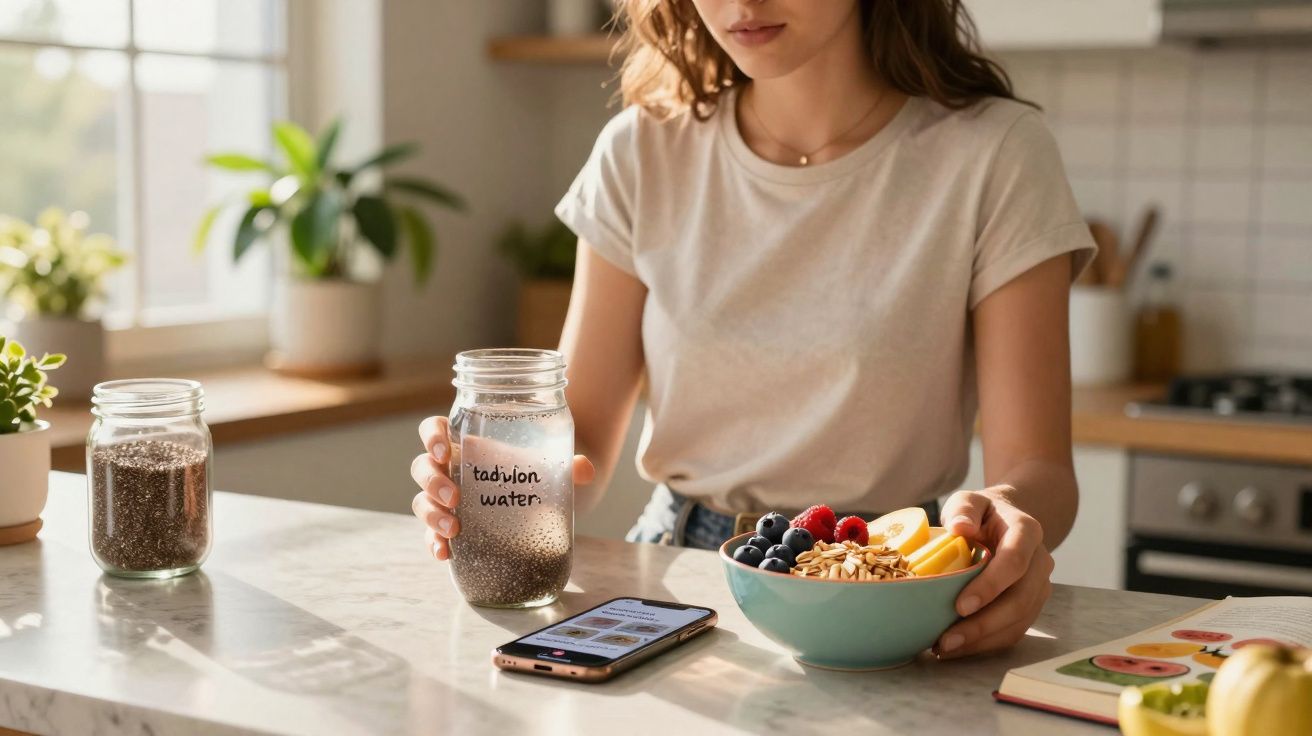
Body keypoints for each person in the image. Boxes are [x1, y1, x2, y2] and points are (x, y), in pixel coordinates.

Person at [412, 0, 1095, 660]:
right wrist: (491, 482)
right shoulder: (641, 150)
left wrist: (1006, 518)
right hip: (674, 575)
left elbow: (1039, 469)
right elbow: (580, 438)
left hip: (887, 582)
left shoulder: (996, 154)